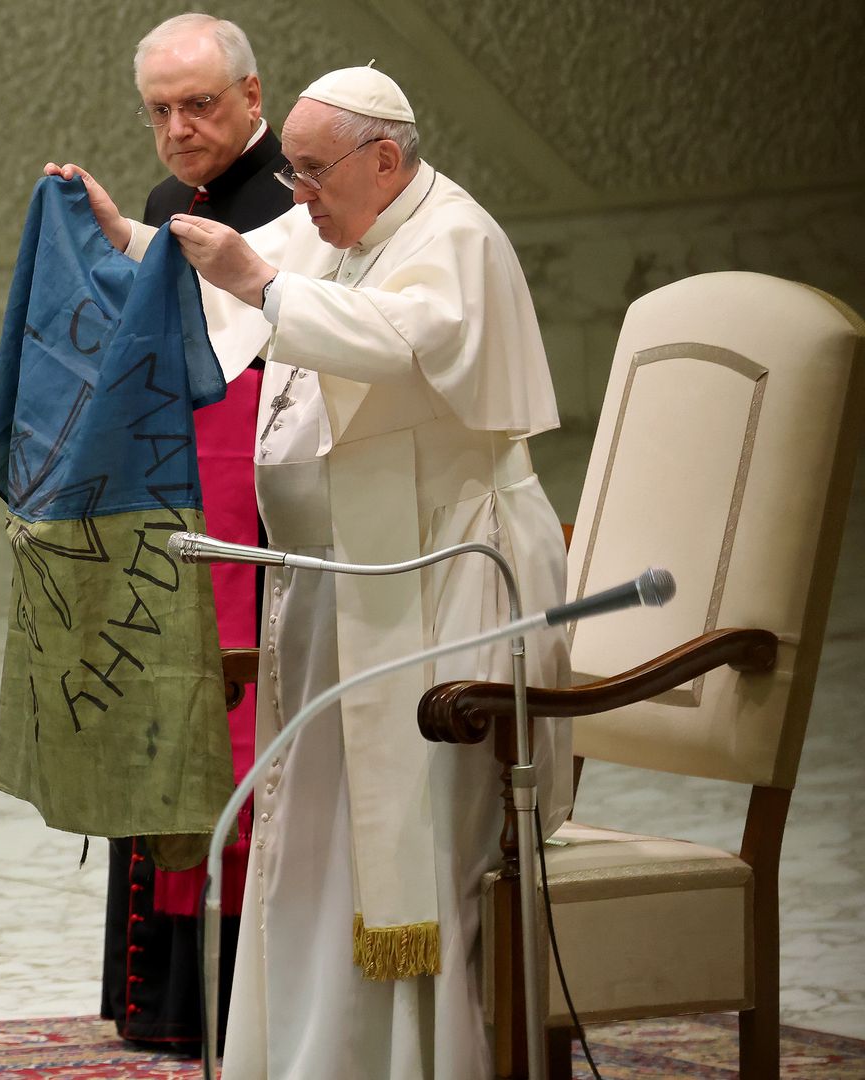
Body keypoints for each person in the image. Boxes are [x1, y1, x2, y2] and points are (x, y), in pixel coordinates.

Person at [120, 66, 571, 1077]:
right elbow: (246, 263)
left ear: (384, 158)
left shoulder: (456, 238)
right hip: (349, 586)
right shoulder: (347, 224)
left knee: (413, 851)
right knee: (315, 846)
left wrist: (264, 285)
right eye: (293, 172)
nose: (298, 194)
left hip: (447, 584)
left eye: (313, 173)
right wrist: (124, 238)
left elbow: (401, 339)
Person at [46, 12, 289, 1054]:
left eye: (199, 105)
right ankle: (162, 999)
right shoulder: (163, 202)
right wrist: (113, 241)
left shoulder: (296, 199)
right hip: (174, 512)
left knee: (231, 738)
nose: (180, 129)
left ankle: (233, 1003)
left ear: (252, 96)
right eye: (160, 112)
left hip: (261, 523)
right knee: (162, 729)